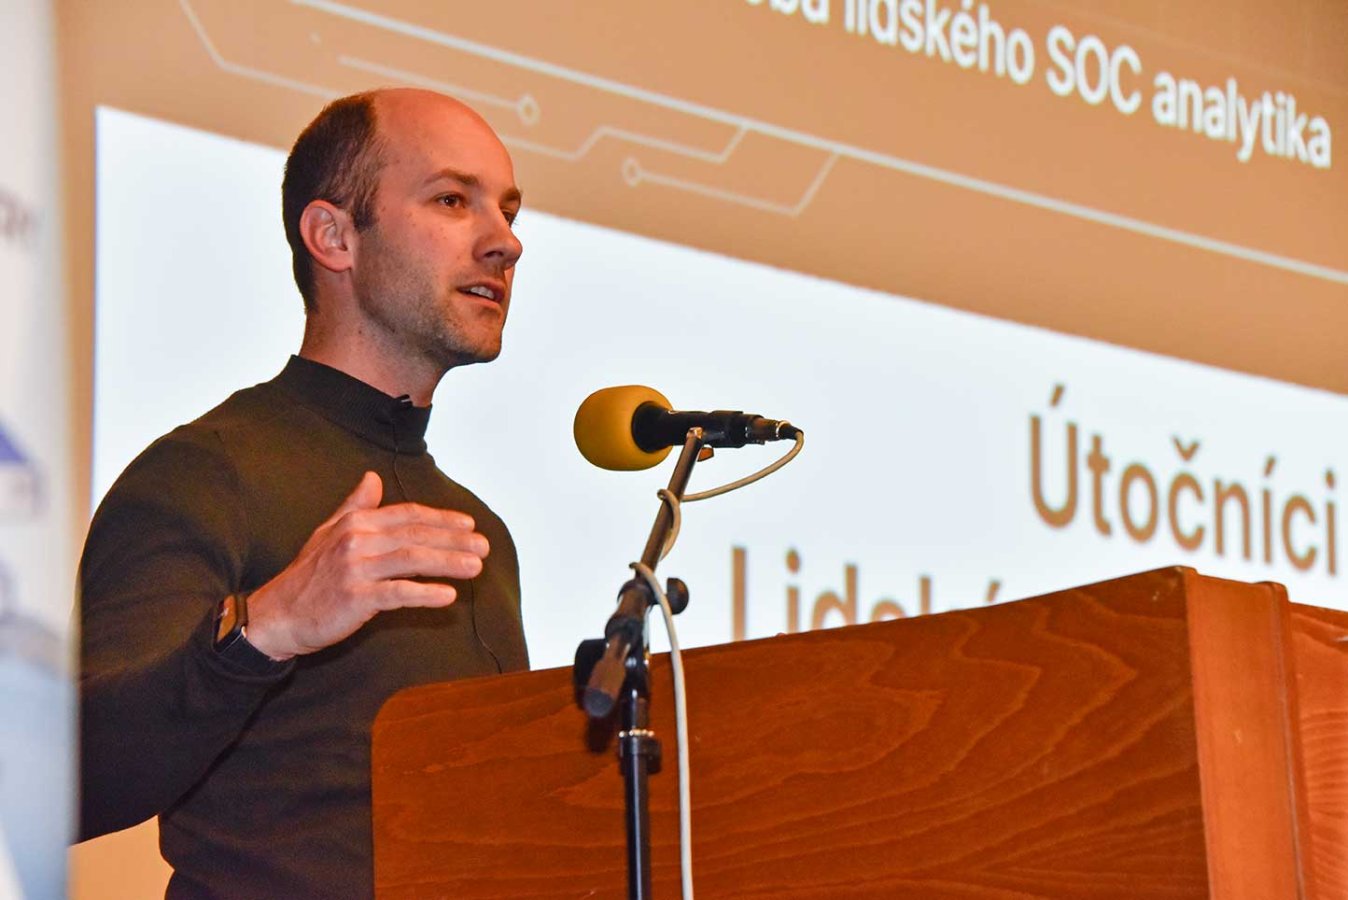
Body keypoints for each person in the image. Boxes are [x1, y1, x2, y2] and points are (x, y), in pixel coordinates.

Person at [77, 88, 530, 897]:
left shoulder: (480, 533)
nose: (507, 242)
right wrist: (266, 629)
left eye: (509, 209)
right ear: (333, 236)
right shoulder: (206, 474)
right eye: (453, 200)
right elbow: (63, 781)